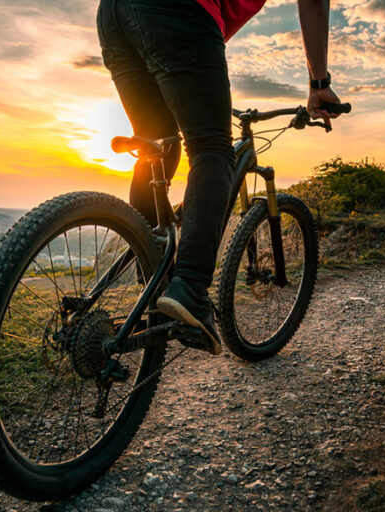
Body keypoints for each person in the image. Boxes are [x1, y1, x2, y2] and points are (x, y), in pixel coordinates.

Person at [96, 0, 341, 355]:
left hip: (115, 15)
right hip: (176, 13)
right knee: (213, 149)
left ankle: (152, 268)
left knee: (160, 145)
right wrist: (319, 83)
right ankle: (190, 290)